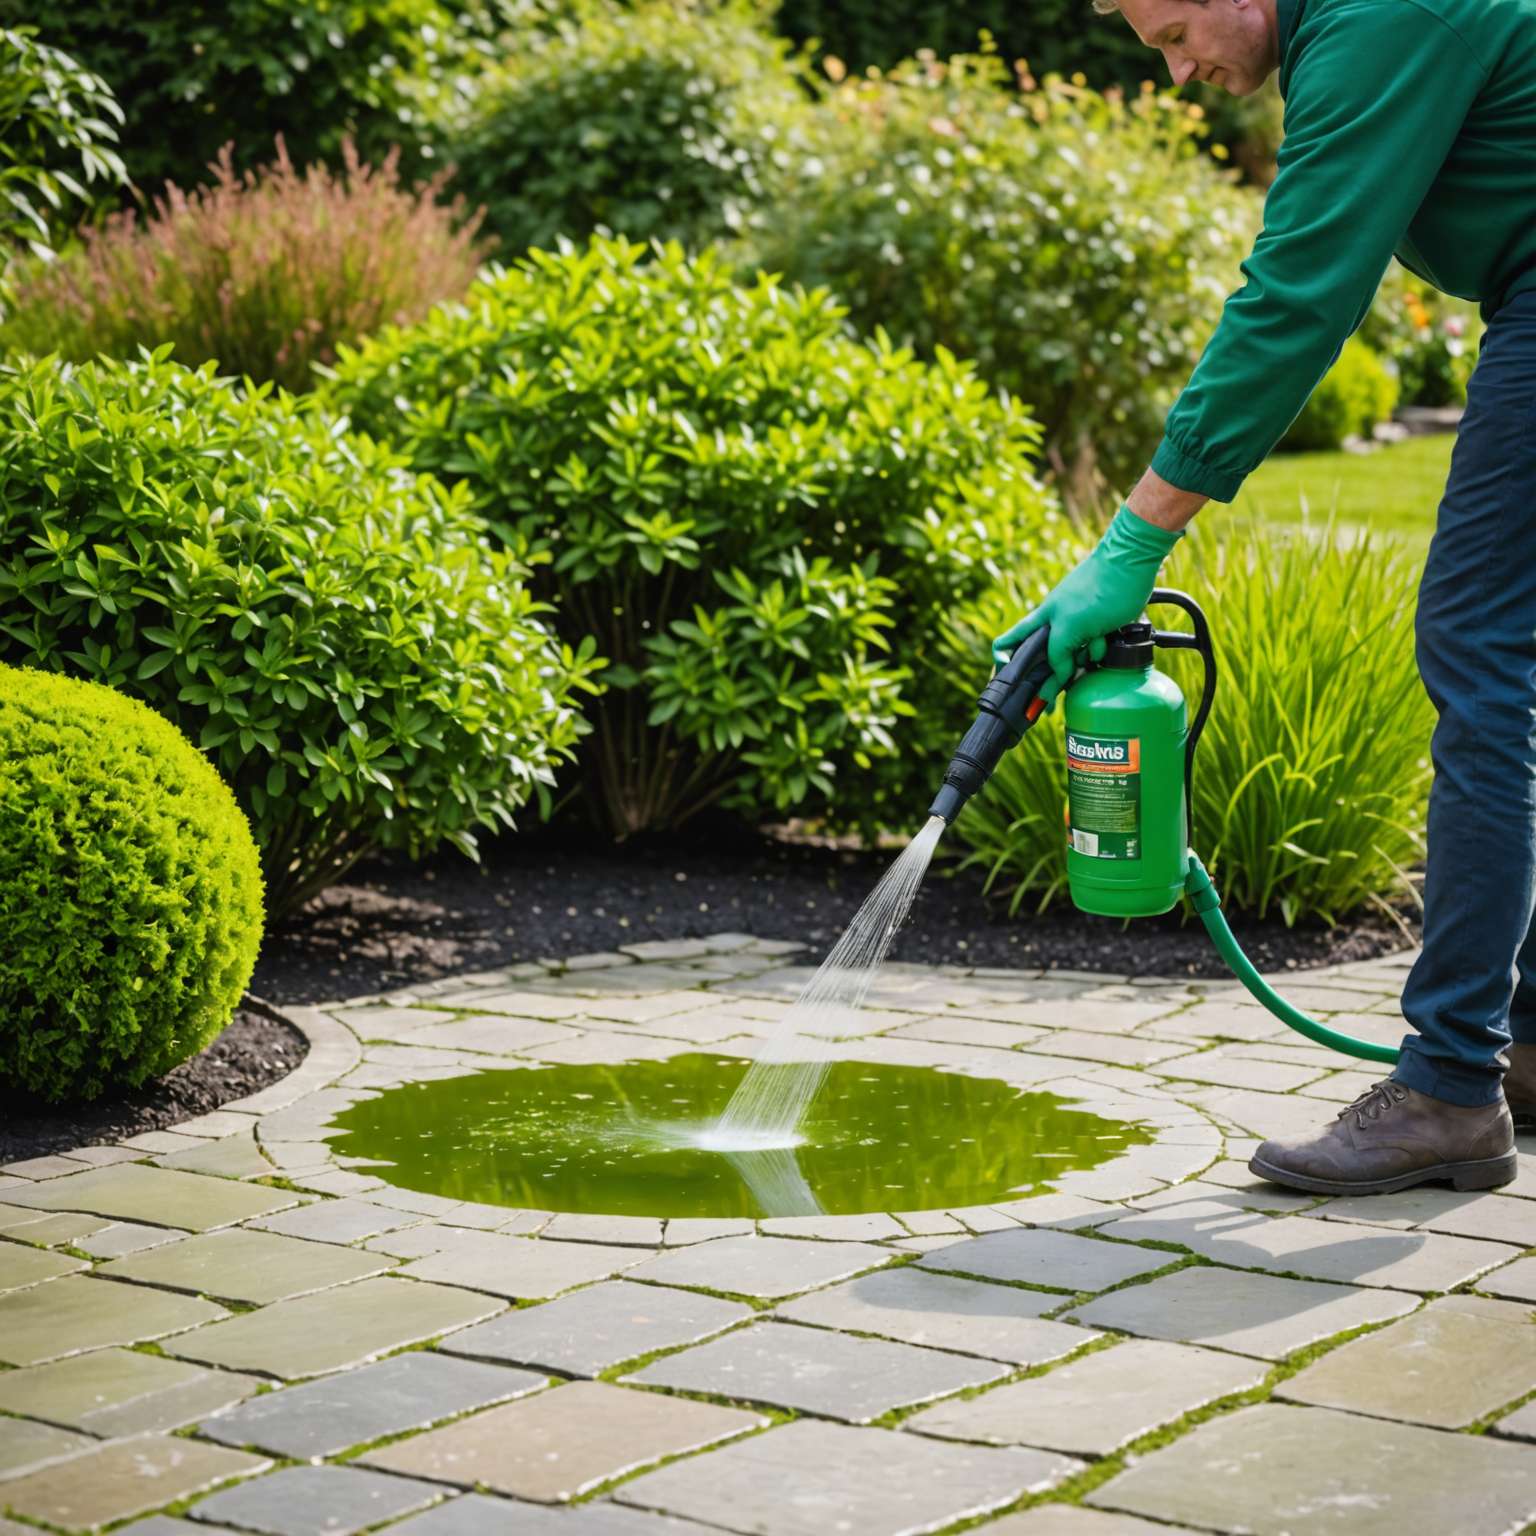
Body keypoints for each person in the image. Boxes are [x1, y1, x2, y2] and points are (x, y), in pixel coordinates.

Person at [994, 0, 1536, 1195]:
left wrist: (1135, 539)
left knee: (1480, 643)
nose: (1183, 70)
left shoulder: (1377, 17)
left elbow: (1298, 296)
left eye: (1175, 34)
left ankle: (1450, 1087)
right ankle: (1520, 1039)